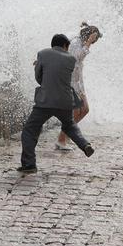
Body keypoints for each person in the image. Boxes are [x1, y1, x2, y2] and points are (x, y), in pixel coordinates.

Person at [18, 34, 95, 174]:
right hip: (65, 102)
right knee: (70, 125)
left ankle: (29, 164)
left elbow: (38, 77)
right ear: (65, 46)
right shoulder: (71, 59)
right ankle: (85, 145)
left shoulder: (42, 54)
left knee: (30, 130)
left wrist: (45, 80)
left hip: (45, 101)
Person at [55, 23, 102, 151]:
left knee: (85, 109)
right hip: (71, 82)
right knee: (75, 112)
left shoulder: (80, 41)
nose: (93, 43)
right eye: (94, 40)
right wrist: (88, 42)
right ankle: (61, 139)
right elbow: (77, 58)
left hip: (78, 82)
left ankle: (66, 135)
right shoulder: (76, 42)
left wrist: (88, 37)